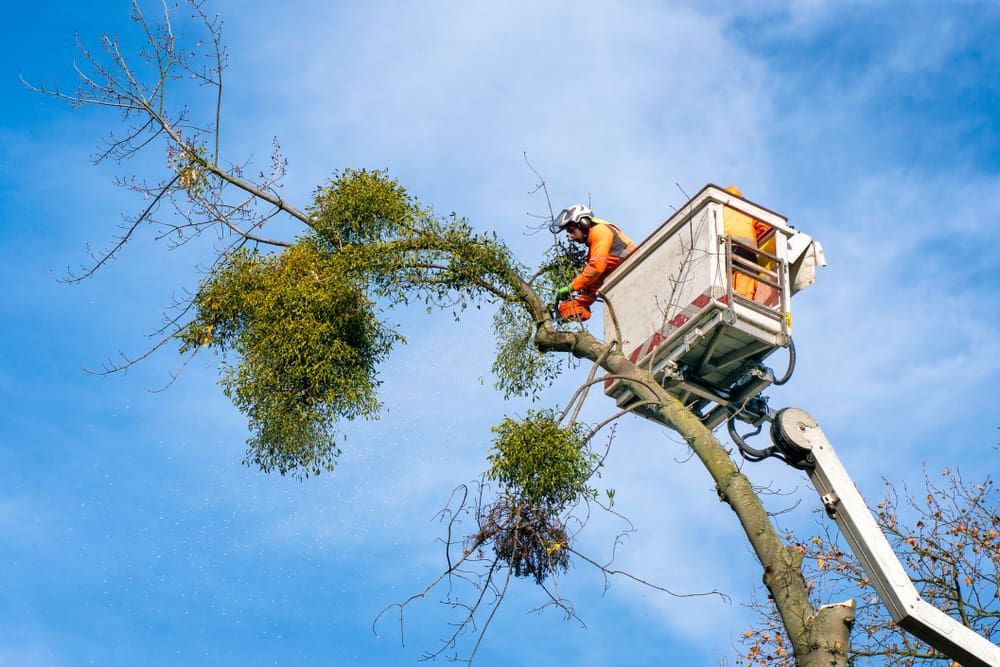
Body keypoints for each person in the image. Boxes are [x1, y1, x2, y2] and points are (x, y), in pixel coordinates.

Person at [550, 204, 636, 321]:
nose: (571, 236)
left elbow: (596, 268)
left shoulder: (600, 231)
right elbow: (593, 283)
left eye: (571, 230)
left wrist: (571, 287)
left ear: (583, 223)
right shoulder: (593, 249)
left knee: (590, 276)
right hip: (623, 274)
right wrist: (573, 305)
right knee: (586, 289)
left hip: (634, 264)